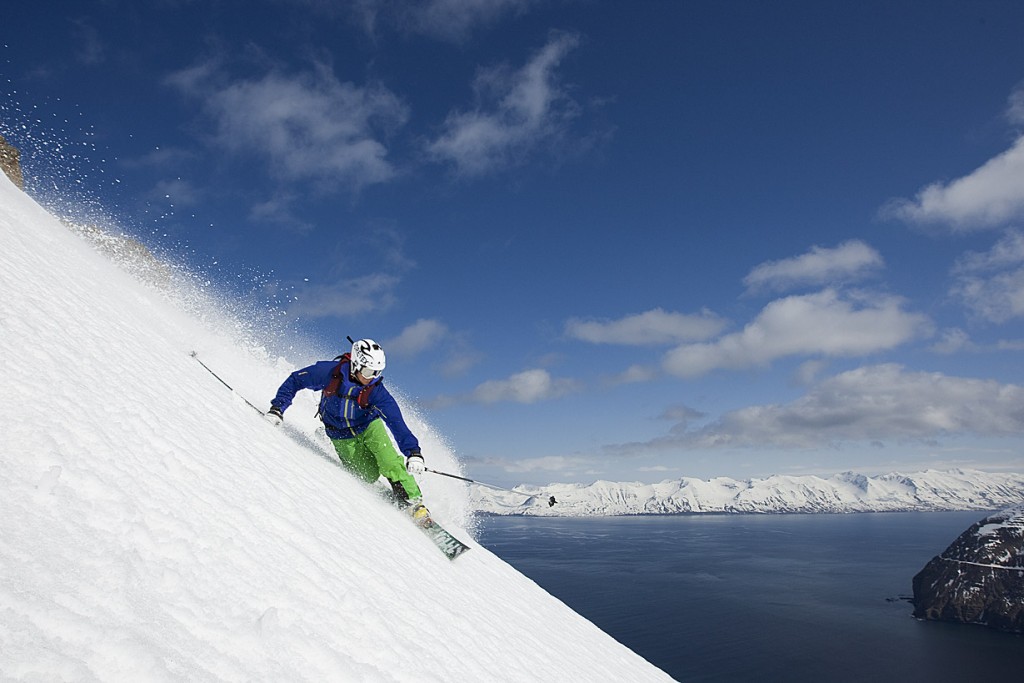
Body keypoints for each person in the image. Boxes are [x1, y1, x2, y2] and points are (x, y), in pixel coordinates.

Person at [265, 338, 431, 524]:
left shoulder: (376, 390)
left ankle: (414, 503)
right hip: (340, 433)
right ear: (355, 365)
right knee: (368, 475)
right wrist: (277, 409)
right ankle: (329, 441)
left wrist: (413, 452)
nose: (372, 377)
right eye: (369, 372)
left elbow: (396, 421)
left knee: (389, 461)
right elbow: (296, 380)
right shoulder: (328, 373)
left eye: (377, 373)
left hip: (369, 427)